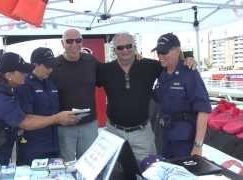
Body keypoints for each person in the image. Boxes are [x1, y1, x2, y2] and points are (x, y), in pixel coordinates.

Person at [96, 32, 196, 163]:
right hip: (114, 132)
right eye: (120, 47)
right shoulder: (105, 70)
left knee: (147, 171)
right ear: (114, 50)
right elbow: (83, 81)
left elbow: (171, 62)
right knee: (115, 171)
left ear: (135, 47)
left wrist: (188, 57)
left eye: (129, 46)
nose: (125, 50)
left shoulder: (149, 66)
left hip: (142, 133)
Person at [0, 52, 78, 165]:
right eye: (22, 71)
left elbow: (25, 117)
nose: (26, 73)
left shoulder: (3, 90)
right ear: (8, 75)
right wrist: (56, 118)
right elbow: (26, 122)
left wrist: (56, 118)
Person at [152, 33, 211, 159]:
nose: (160, 56)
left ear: (177, 50)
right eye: (158, 52)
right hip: (164, 137)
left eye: (164, 52)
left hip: (184, 141)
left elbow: (203, 110)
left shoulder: (189, 73)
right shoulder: (162, 73)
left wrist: (198, 146)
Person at [50, 29, 99, 161]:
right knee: (66, 164)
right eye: (69, 41)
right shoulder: (53, 65)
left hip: (89, 124)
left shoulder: (91, 61)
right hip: (64, 127)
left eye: (78, 41)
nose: (74, 44)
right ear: (62, 43)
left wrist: (135, 57)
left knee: (89, 163)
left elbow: (111, 73)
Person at [15, 47, 59, 165]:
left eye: (52, 65)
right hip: (33, 148)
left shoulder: (51, 83)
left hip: (53, 145)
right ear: (35, 65)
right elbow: (25, 120)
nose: (50, 69)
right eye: (47, 66)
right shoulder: (24, 85)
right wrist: (57, 118)